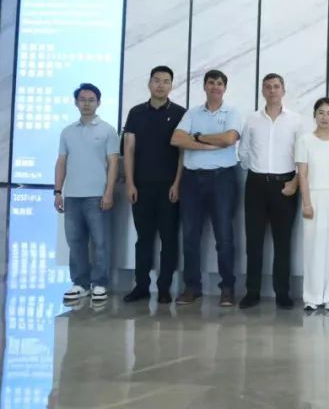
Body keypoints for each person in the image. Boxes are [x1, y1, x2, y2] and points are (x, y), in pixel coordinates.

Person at [170, 69, 245, 307]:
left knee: (224, 236)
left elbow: (229, 139)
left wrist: (197, 137)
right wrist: (210, 144)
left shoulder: (232, 112)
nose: (215, 87)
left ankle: (227, 289)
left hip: (223, 179)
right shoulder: (192, 113)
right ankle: (192, 288)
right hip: (191, 180)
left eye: (219, 83)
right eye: (211, 83)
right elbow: (176, 139)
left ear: (225, 88)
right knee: (190, 236)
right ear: (204, 86)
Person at [238, 73, 305, 309]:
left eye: (276, 86)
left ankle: (282, 293)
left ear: (283, 90)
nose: (272, 90)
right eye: (268, 87)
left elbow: (302, 157)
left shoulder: (296, 121)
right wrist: (258, 172)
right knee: (253, 242)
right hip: (255, 184)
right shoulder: (252, 119)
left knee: (283, 242)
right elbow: (243, 152)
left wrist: (295, 182)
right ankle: (252, 292)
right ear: (262, 91)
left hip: (285, 185)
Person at [121, 66, 185, 304]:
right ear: (149, 84)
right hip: (141, 186)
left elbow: (183, 153)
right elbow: (129, 148)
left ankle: (165, 287)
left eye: (166, 81)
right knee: (144, 239)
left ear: (171, 85)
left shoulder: (180, 113)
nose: (161, 85)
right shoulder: (136, 112)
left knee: (169, 239)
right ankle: (141, 286)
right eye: (157, 80)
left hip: (169, 187)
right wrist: (130, 183)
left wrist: (177, 183)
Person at [55, 83, 120, 302]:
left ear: (98, 103)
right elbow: (61, 162)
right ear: (76, 103)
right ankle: (80, 283)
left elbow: (113, 163)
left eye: (91, 100)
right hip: (72, 196)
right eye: (82, 100)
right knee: (75, 242)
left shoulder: (107, 130)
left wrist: (109, 192)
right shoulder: (67, 132)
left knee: (100, 242)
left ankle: (99, 283)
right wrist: (58, 191)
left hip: (97, 196)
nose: (86, 104)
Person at [297, 98, 329, 311]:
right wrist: (306, 203)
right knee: (313, 247)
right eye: (321, 112)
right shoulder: (304, 140)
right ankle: (312, 295)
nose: (325, 117)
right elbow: (302, 174)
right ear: (314, 115)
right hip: (313, 196)